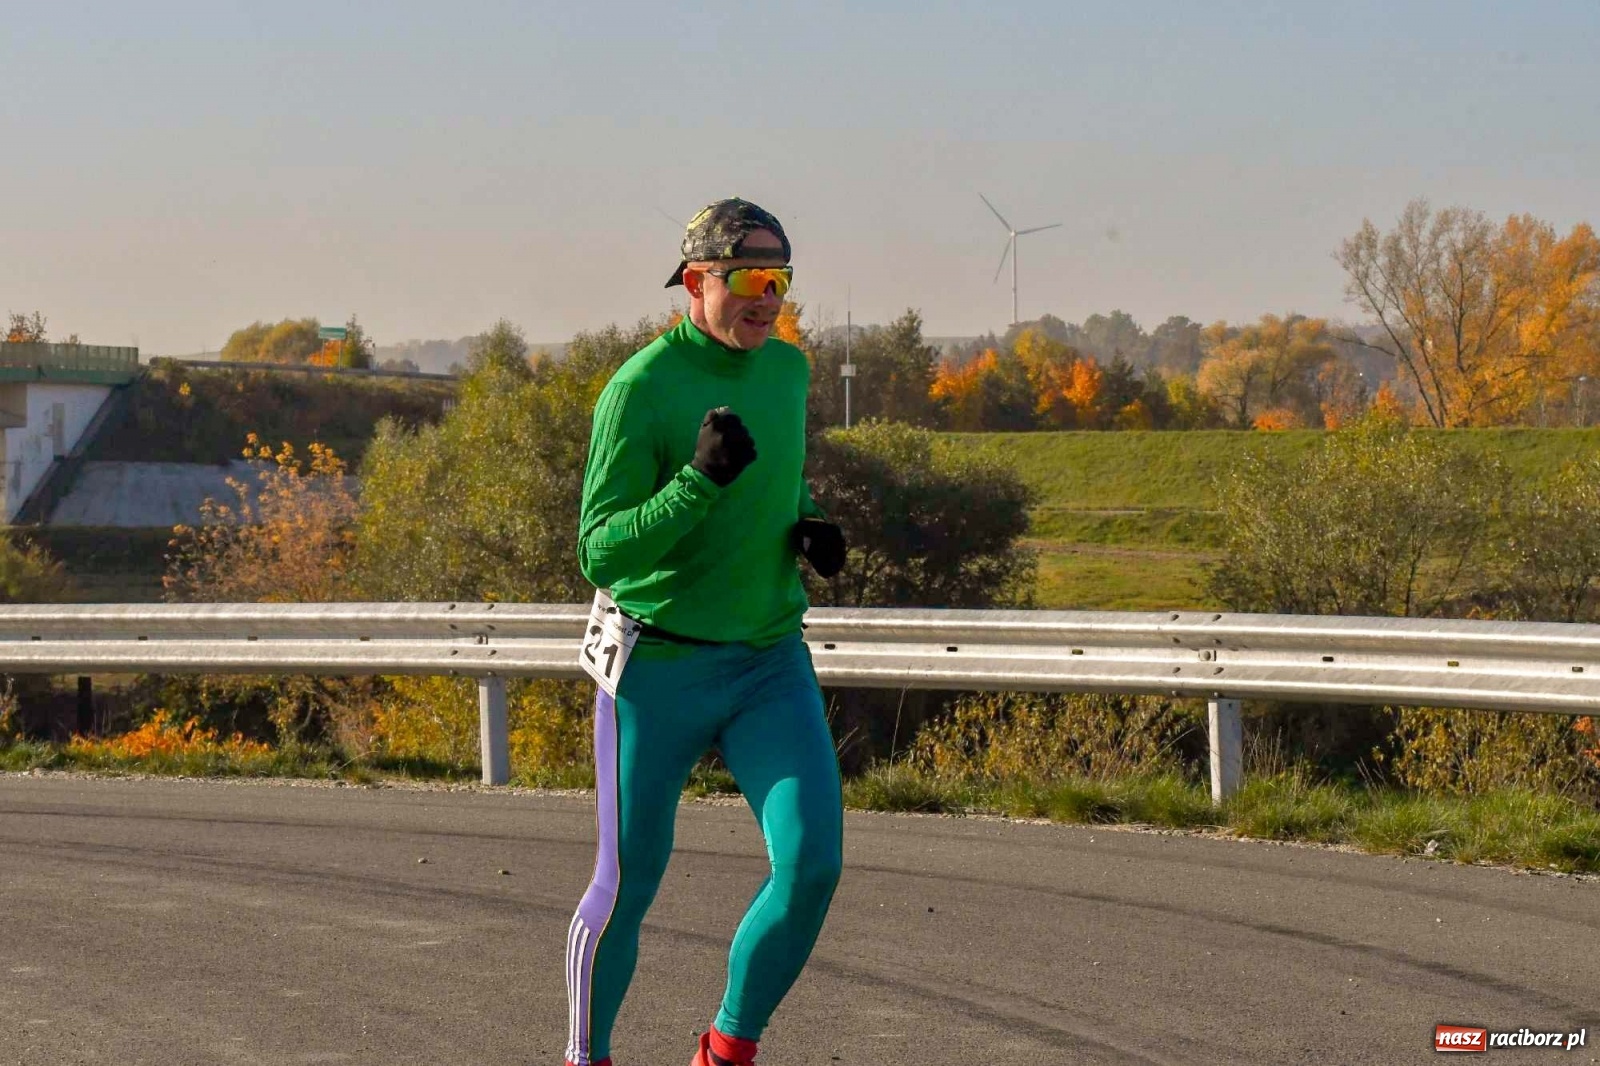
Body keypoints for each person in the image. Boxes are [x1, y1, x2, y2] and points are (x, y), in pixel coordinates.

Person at [564, 198, 849, 1066]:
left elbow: (778, 487)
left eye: (782, 281)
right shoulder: (641, 388)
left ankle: (726, 1050)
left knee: (812, 867)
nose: (768, 299)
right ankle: (588, 1057)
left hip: (767, 661)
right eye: (751, 281)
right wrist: (696, 482)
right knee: (626, 887)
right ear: (696, 281)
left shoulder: (789, 373)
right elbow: (598, 550)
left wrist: (807, 525)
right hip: (658, 667)